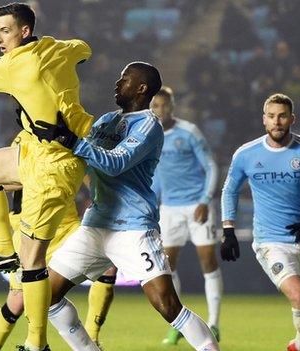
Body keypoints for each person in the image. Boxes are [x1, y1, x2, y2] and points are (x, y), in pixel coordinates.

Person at [33, 61, 220, 351]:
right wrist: (57, 136)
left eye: (124, 79)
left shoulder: (149, 126)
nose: (117, 84)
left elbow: (115, 162)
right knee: (45, 295)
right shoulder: (106, 119)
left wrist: (71, 140)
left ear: (141, 88)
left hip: (132, 228)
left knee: (166, 304)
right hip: (96, 225)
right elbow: (84, 156)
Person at [0, 3, 94, 350]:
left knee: (33, 262)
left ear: (25, 31)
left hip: (54, 166)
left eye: (5, 31)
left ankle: (36, 343)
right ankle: (1, 249)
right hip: (38, 154)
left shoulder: (14, 64)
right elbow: (83, 48)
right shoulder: (59, 48)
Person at [220, 93, 300, 351]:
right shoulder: (246, 154)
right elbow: (229, 190)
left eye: (282, 116)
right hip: (270, 242)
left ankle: (298, 344)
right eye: (271, 116)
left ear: (292, 119)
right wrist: (228, 229)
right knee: (298, 295)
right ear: (264, 120)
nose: (277, 122)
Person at [0, 131, 115, 351]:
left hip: (65, 225)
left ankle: (92, 339)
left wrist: (98, 198)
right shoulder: (21, 139)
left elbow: (87, 173)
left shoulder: (66, 134)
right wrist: (34, 174)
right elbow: (0, 180)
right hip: (27, 227)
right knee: (17, 302)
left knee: (108, 266)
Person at [150, 86, 222, 345]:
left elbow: (211, 166)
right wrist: (152, 203)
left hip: (196, 206)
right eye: (155, 106)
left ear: (172, 106)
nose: (160, 110)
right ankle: (178, 323)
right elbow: (156, 176)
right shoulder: (150, 136)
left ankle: (213, 324)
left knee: (208, 262)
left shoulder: (188, 132)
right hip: (169, 208)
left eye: (164, 105)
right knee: (167, 268)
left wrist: (205, 200)